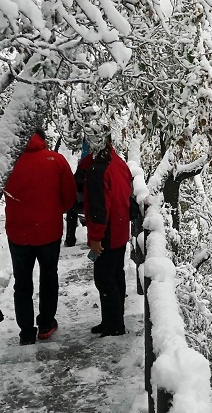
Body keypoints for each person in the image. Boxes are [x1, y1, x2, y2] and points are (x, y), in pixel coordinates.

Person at [0, 129, 76, 344]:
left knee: (22, 283)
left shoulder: (8, 163)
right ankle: (45, 324)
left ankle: (25, 331)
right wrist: (53, 211)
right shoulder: (56, 160)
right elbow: (69, 197)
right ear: (42, 139)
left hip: (18, 234)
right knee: (48, 277)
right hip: (49, 233)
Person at [83, 135, 132, 337]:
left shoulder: (99, 170)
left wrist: (96, 237)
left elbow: (99, 208)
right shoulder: (118, 162)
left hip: (108, 233)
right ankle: (113, 320)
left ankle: (113, 325)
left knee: (104, 279)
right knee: (115, 275)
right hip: (120, 229)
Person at [66, 140, 92, 247]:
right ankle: (91, 238)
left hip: (81, 200)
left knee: (71, 210)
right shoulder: (96, 166)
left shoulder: (82, 167)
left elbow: (75, 182)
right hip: (91, 201)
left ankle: (70, 238)